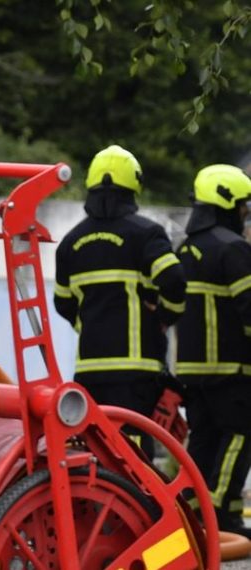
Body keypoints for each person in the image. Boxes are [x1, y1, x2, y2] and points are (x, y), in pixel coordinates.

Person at [53, 145, 186, 455]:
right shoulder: (147, 234)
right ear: (133, 186)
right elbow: (174, 280)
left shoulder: (71, 243)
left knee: (96, 449)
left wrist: (89, 324)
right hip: (137, 372)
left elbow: (63, 303)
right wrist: (165, 317)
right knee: (135, 454)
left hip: (90, 371)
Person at [174, 164, 251, 538]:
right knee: (239, 434)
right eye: (242, 207)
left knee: (203, 438)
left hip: (191, 369)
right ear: (226, 203)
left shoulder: (185, 249)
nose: (244, 214)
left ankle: (194, 511)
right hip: (231, 367)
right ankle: (218, 514)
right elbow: (250, 308)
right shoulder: (233, 248)